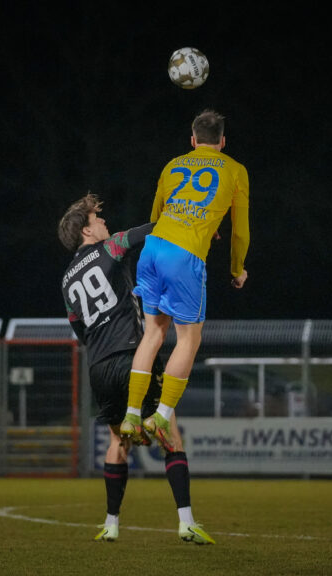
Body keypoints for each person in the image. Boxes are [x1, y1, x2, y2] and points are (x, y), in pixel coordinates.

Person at [58, 193, 214, 545]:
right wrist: (193, 226)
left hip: (99, 367)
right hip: (132, 356)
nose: (104, 222)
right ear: (86, 230)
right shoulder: (110, 247)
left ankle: (111, 523)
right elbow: (147, 231)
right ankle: (186, 521)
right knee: (170, 433)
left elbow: (79, 329)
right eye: (97, 219)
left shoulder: (66, 279)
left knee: (117, 440)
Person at [121, 109, 250, 451]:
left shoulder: (173, 164)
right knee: (189, 340)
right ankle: (161, 416)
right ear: (223, 141)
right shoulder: (236, 170)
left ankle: (132, 415)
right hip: (184, 255)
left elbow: (156, 214)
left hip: (153, 248)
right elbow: (240, 232)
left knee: (152, 333)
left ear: (192, 141)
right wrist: (237, 269)